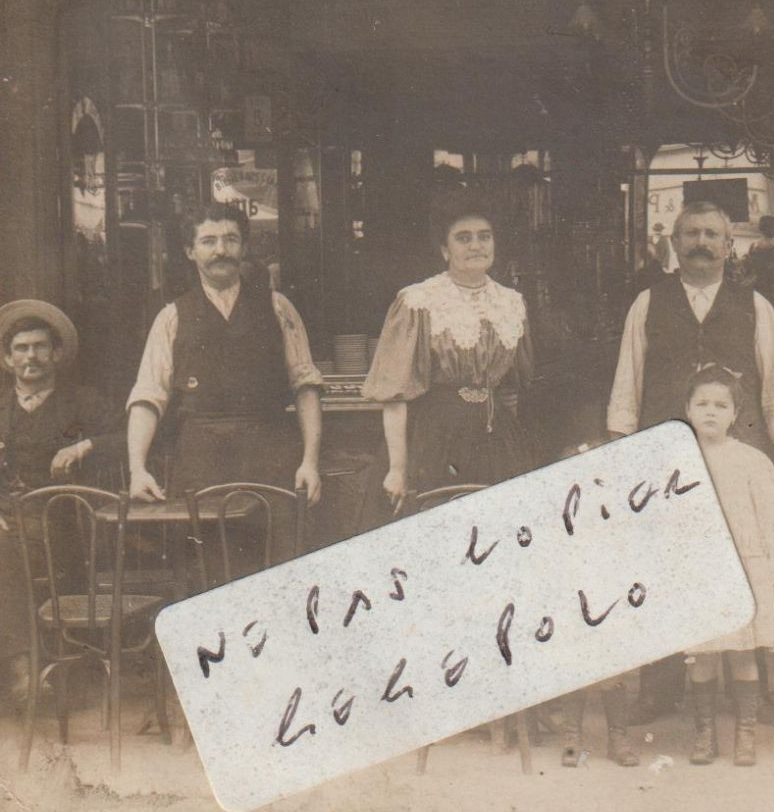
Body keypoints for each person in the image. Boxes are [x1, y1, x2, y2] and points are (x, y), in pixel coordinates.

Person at [607, 200, 774, 726]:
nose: (701, 243)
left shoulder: (756, 305)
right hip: (663, 462)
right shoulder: (647, 304)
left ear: (728, 246)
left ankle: (753, 693)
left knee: (746, 565)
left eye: (712, 235)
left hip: (739, 458)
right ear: (673, 242)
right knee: (665, 571)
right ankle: (660, 689)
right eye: (691, 233)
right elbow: (628, 383)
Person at [126, 203, 323, 560]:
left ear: (244, 247)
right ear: (190, 251)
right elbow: (147, 398)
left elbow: (306, 386)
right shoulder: (171, 317)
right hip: (201, 462)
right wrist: (137, 468)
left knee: (277, 564)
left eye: (231, 239)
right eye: (208, 241)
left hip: (271, 455)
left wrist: (309, 460)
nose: (221, 250)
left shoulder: (278, 307)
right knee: (208, 570)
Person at [364, 199, 536, 511]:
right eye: (463, 237)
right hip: (433, 441)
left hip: (497, 441)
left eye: (485, 236)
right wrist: (398, 469)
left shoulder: (511, 303)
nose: (476, 245)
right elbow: (395, 397)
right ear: (445, 249)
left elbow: (511, 391)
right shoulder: (419, 302)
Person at [0, 302, 123, 705]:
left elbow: (130, 439)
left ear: (56, 354)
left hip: (64, 521)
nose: (30, 357)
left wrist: (86, 445)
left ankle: (21, 672)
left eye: (39, 347)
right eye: (21, 348)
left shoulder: (81, 403)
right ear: (7, 358)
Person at [682, 366, 774, 766]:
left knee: (743, 654)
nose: (711, 411)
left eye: (721, 404)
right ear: (687, 409)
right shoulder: (678, 461)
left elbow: (772, 523)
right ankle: (705, 735)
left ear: (735, 413)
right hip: (697, 573)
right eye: (702, 403)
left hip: (745, 568)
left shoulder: (751, 461)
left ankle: (746, 735)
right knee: (703, 655)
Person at [745, 215, 774, 293]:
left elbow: (749, 264)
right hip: (772, 283)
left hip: (756, 282)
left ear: (761, 229)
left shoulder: (753, 246)